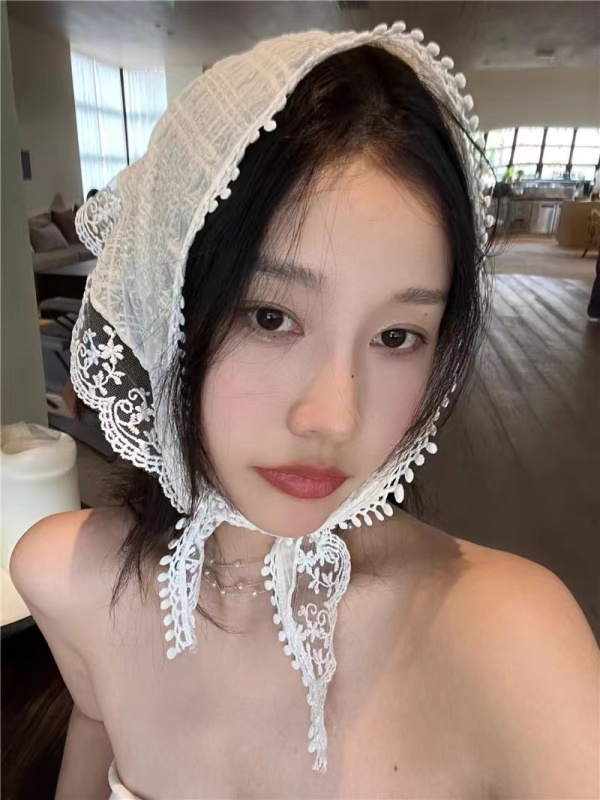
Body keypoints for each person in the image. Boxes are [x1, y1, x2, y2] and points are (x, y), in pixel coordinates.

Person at [10, 23, 598, 800]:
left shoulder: (515, 645)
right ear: (165, 302)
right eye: (270, 317)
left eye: (397, 336)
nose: (334, 417)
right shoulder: (66, 579)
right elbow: (95, 728)